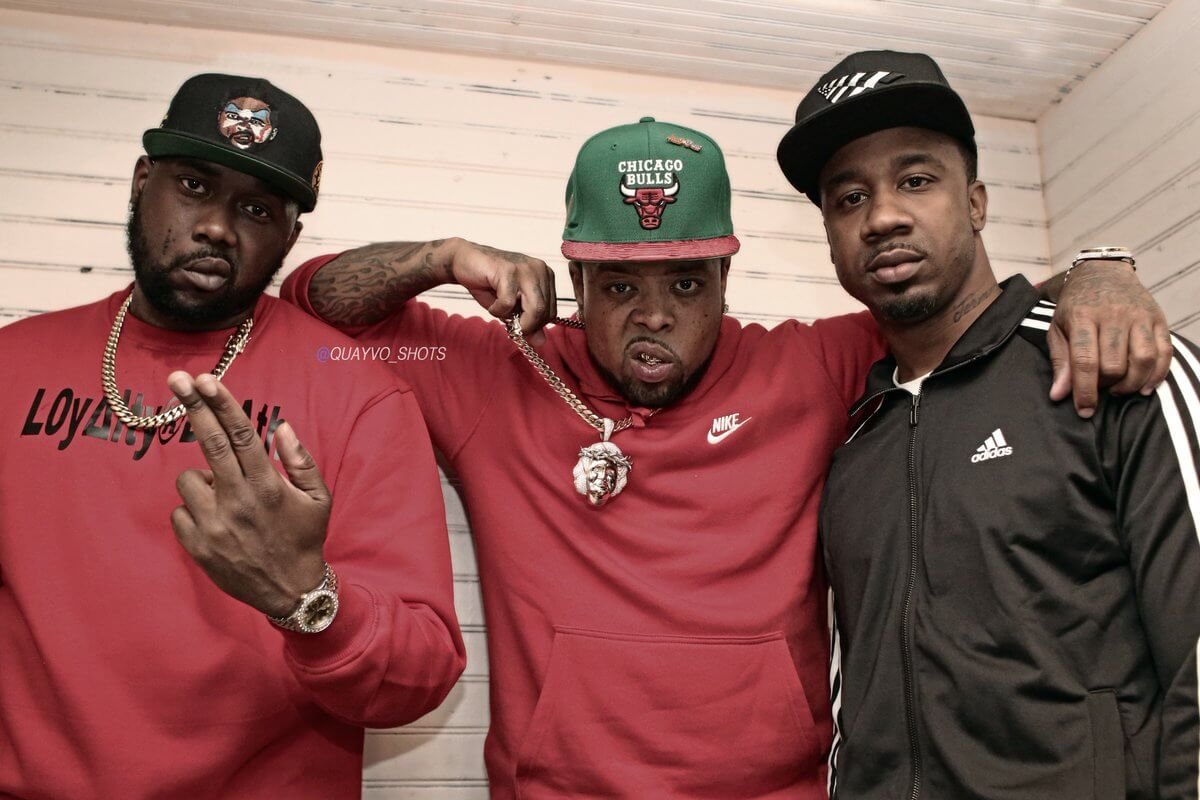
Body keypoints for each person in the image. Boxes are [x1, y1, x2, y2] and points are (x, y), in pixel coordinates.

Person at [280, 116, 1168, 796]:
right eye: (619, 285)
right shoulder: (498, 374)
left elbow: (964, 312)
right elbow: (315, 306)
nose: (654, 315)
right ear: (573, 281)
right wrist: (440, 257)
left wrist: (1098, 270)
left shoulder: (809, 367)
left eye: (686, 283)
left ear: (726, 281)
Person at [0, 73, 465, 799]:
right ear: (142, 182)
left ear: (290, 237)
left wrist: (305, 596)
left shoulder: (360, 395)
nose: (217, 227)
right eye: (193, 185)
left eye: (256, 208)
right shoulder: (13, 365)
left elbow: (420, 676)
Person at [776, 50, 1200, 798]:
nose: (882, 217)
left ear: (975, 203)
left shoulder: (1112, 367)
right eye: (849, 198)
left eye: (916, 180)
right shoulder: (856, 443)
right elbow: (856, 688)